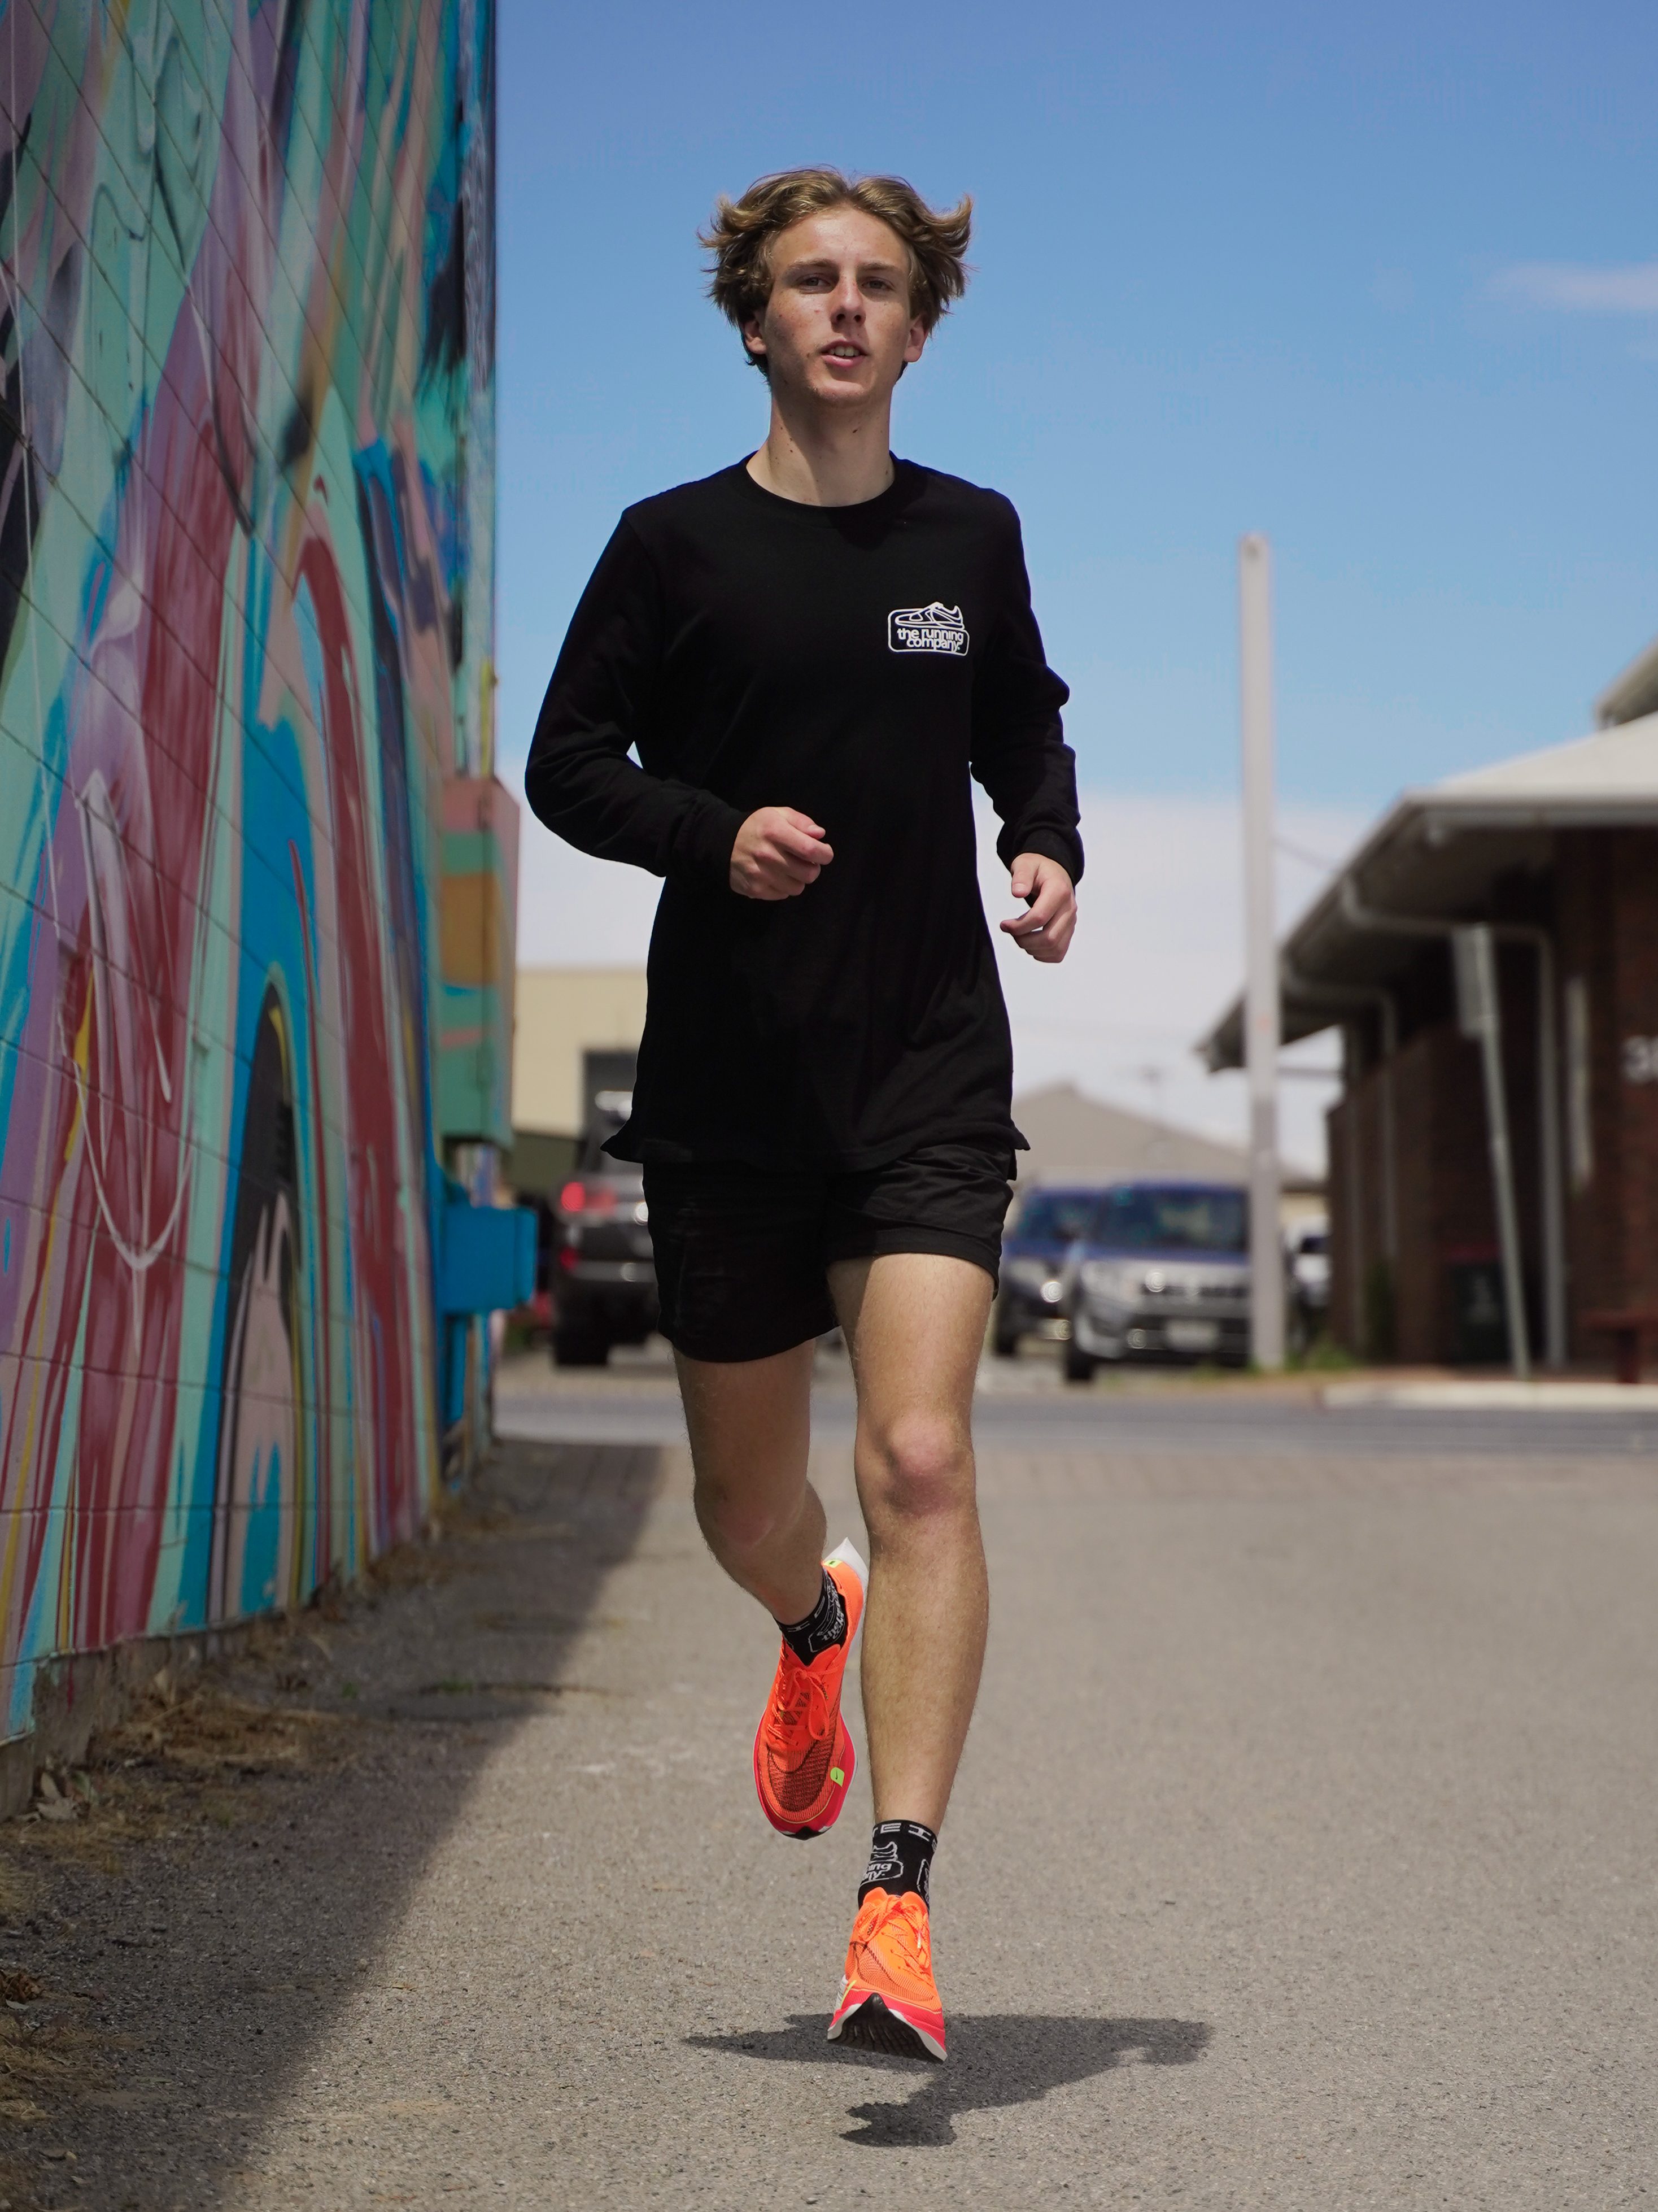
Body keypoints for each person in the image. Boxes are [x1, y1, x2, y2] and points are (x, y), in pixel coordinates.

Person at [525, 167, 1082, 2063]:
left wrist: (1046, 838)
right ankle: (808, 1624)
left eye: (879, 284)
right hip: (731, 1086)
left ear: (919, 327)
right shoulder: (670, 546)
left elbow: (1022, 717)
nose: (846, 306)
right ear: (754, 320)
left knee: (919, 1458)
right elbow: (568, 764)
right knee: (753, 1505)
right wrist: (712, 833)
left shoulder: (972, 536)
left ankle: (898, 1894)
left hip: (927, 1066)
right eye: (810, 280)